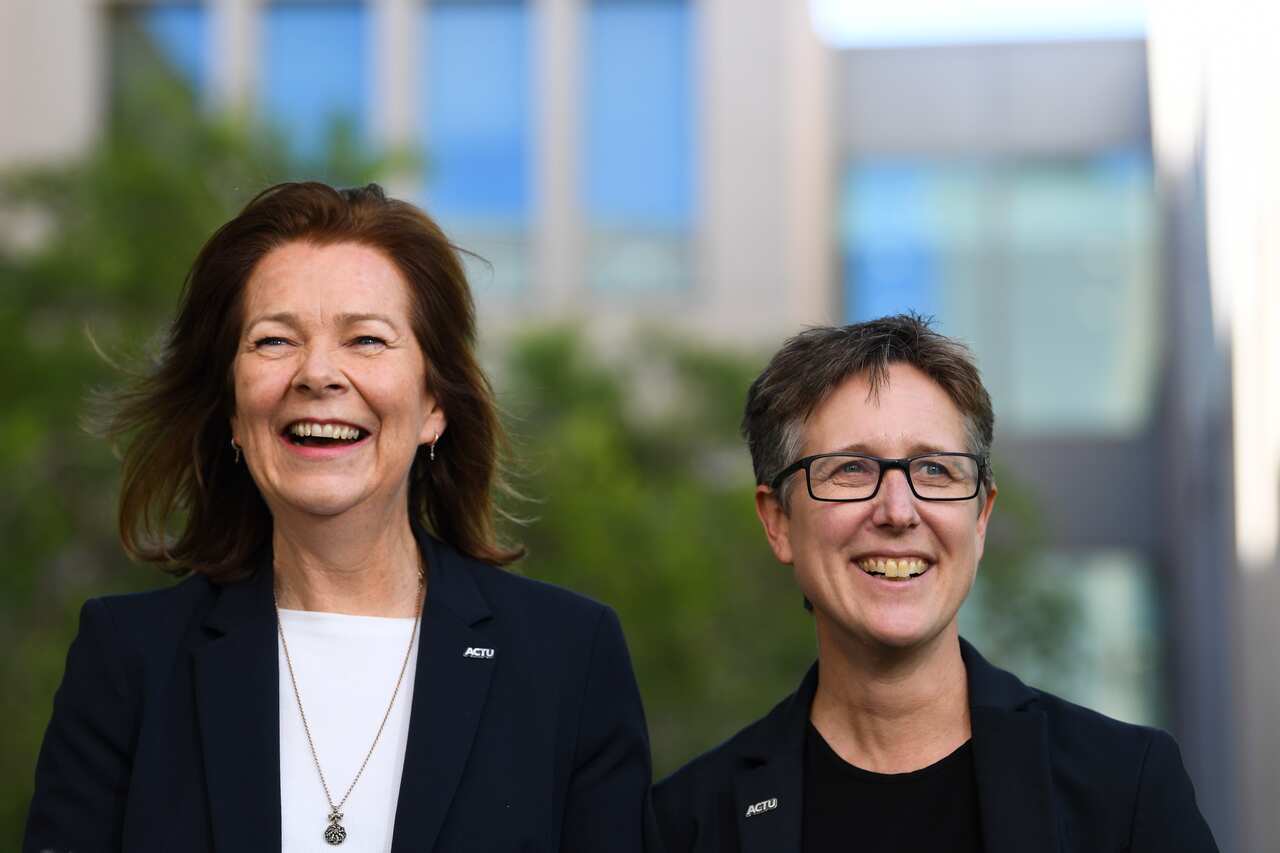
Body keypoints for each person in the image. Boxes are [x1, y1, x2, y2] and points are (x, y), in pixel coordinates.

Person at [24, 182, 651, 853]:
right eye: (273, 340)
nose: (317, 373)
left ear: (435, 404)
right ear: (234, 411)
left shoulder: (566, 657)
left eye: (366, 339)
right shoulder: (129, 660)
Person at [650, 315, 1218, 853]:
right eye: (851, 469)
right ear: (778, 522)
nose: (898, 510)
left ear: (980, 518)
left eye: (935, 470)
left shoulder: (1125, 790)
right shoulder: (688, 824)